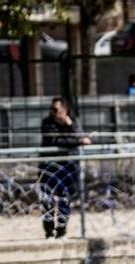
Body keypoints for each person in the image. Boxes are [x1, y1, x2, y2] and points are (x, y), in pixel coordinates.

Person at [38, 97, 89, 239]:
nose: (53, 113)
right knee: (47, 199)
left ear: (64, 110)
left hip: (67, 166)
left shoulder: (74, 121)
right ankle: (48, 231)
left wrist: (70, 126)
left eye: (56, 110)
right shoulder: (47, 123)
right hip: (49, 165)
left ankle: (61, 230)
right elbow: (53, 141)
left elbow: (80, 135)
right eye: (51, 110)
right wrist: (77, 141)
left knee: (64, 198)